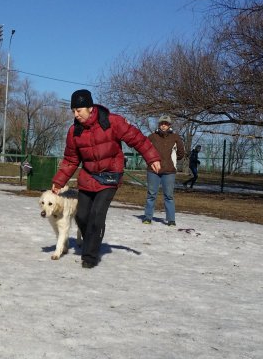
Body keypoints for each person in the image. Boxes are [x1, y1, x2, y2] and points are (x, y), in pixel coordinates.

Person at [51, 89, 161, 269]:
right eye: (73, 111)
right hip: (88, 177)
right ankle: (92, 241)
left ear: (90, 107)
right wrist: (58, 181)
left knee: (96, 216)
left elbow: (137, 139)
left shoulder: (112, 122)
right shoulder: (74, 131)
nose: (75, 114)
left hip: (110, 176)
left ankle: (89, 257)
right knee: (82, 215)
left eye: (79, 110)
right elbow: (71, 159)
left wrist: (152, 158)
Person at [143, 115, 185, 226]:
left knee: (169, 196)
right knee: (151, 194)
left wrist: (172, 161)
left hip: (169, 171)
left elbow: (181, 153)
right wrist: (151, 162)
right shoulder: (152, 137)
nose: (163, 125)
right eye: (162, 123)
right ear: (159, 124)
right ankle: (147, 217)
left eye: (166, 123)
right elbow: (144, 150)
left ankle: (171, 220)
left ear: (169, 125)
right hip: (153, 171)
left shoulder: (175, 137)